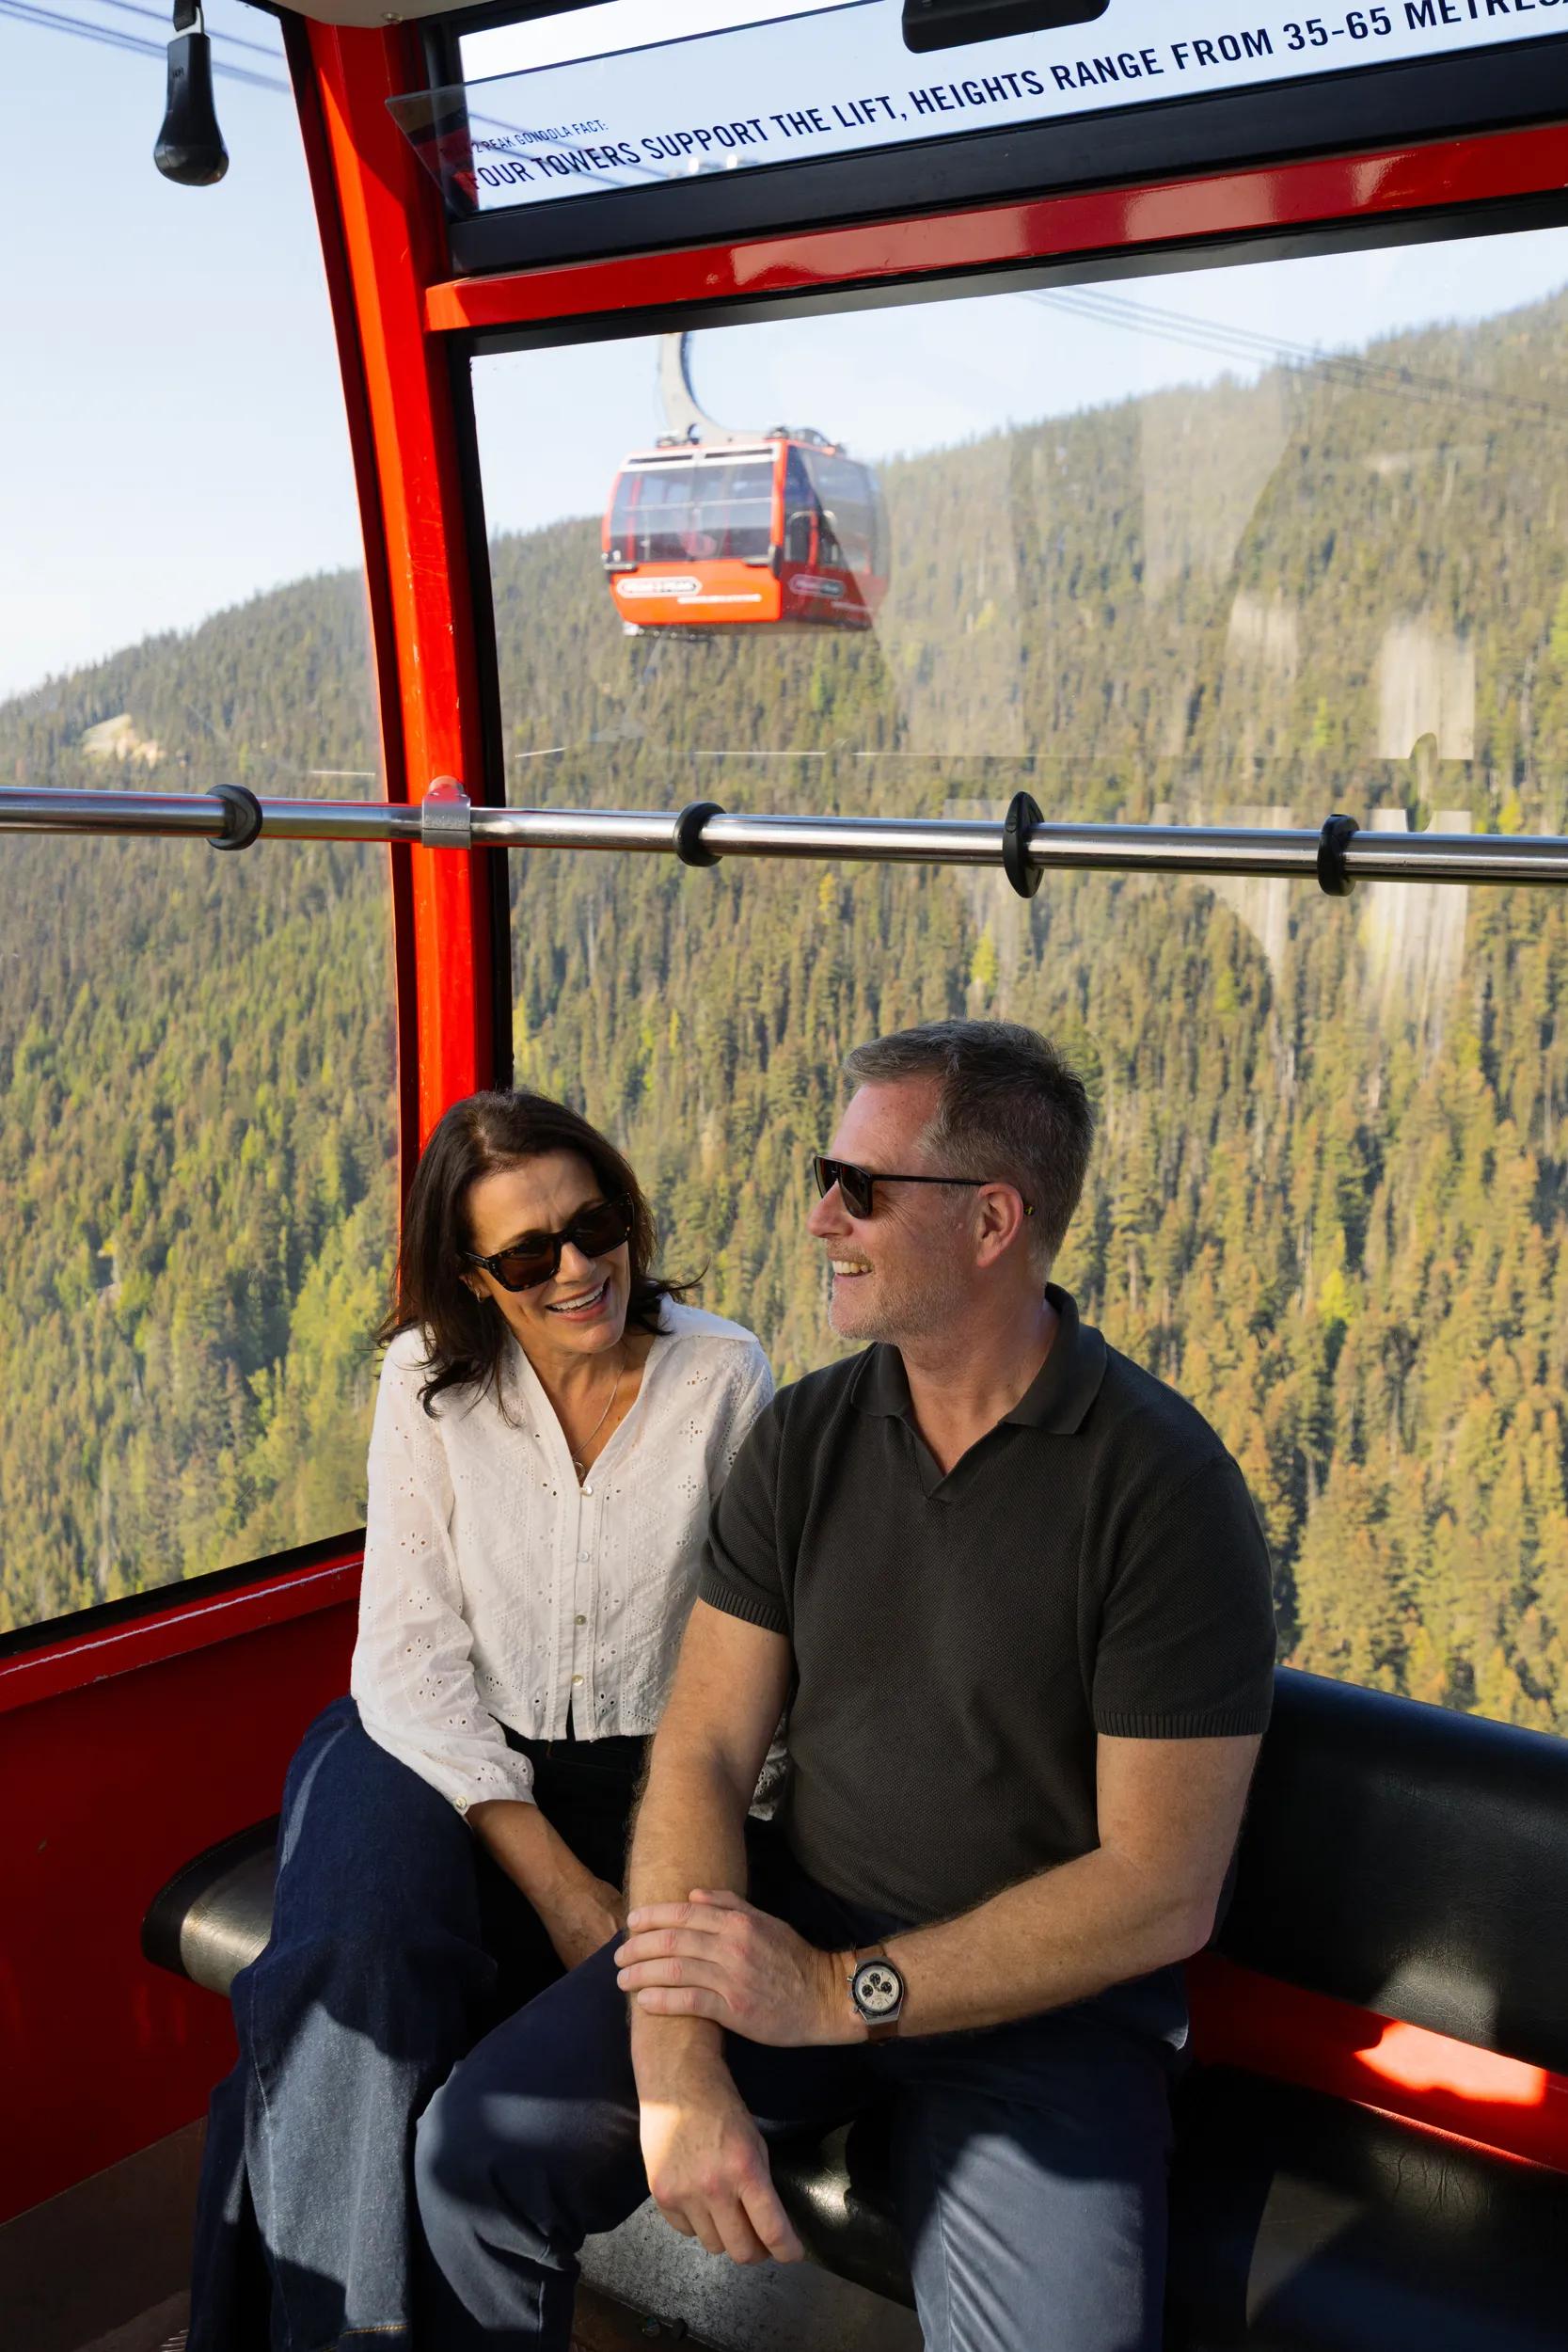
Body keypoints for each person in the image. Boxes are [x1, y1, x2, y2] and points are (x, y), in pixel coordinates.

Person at [413, 1021, 1278, 2352]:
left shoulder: (1162, 1490)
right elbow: (701, 1748)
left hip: (1042, 2008)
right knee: (475, 2155)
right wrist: (674, 2053)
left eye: (860, 1188)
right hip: (796, 1918)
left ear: (992, 1222)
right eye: (830, 1177)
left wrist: (837, 1994)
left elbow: (1159, 1888)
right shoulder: (808, 1439)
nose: (821, 1218)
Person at [187, 1089, 772, 2352]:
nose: (576, 1267)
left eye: (594, 1222)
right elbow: (407, 1655)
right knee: (353, 1977)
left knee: (312, 2048)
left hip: (644, 1772)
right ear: (474, 1277)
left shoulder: (723, 1378)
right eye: (526, 1255)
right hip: (424, 1738)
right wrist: (562, 1891)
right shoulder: (428, 1383)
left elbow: (758, 1650)